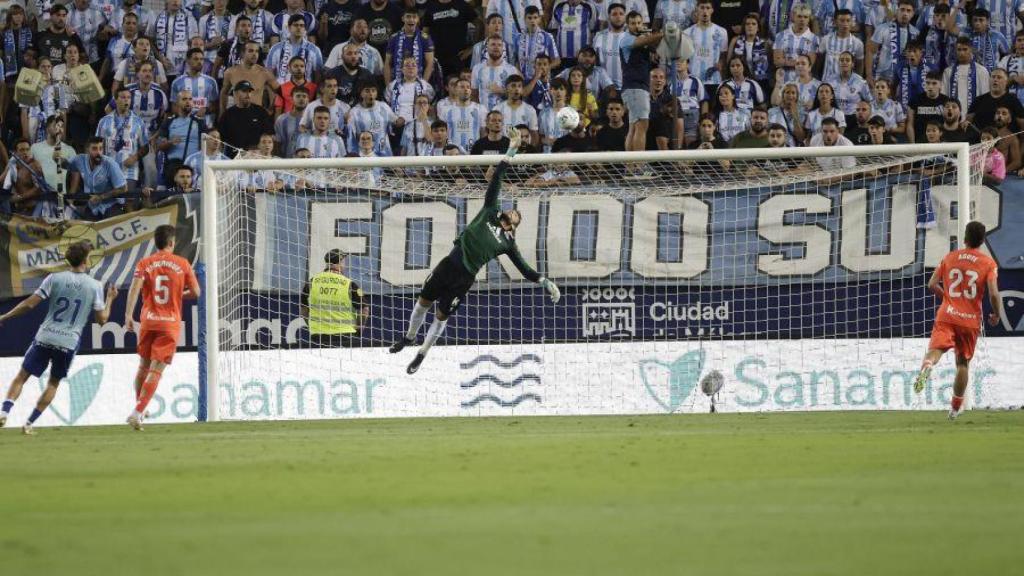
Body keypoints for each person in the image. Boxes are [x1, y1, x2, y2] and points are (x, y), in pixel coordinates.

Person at [389, 127, 561, 375]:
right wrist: (511, 150)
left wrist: (544, 281)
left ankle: (421, 354)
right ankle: (409, 337)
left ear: (515, 225)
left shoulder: (507, 243)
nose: (513, 211)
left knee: (441, 316)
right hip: (449, 264)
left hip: (464, 278)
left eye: (517, 215)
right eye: (513, 210)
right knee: (422, 302)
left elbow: (523, 268)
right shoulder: (490, 211)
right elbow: (497, 179)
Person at [0, 242, 116, 434]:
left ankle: (4, 412)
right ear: (86, 260)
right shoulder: (95, 286)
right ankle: (28, 424)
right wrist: (110, 298)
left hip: (45, 336)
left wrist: (4, 316)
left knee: (22, 376)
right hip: (68, 342)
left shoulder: (54, 278)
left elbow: (29, 304)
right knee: (53, 383)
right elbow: (102, 320)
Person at [913, 221, 1001, 420]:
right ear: (982, 240)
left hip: (947, 314)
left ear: (965, 238)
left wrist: (947, 298)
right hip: (969, 320)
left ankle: (928, 364)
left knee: (936, 350)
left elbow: (932, 284)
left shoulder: (950, 257)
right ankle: (954, 408)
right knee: (962, 364)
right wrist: (996, 314)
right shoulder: (988, 263)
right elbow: (994, 294)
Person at [123, 224, 201, 430]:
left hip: (148, 320)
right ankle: (138, 411)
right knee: (157, 369)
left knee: (143, 366)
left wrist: (128, 314)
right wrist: (179, 295)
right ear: (172, 243)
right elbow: (196, 292)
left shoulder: (145, 263)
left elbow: (134, 288)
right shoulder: (182, 263)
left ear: (156, 243)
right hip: (169, 323)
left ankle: (138, 408)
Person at [301, 249, 368, 348]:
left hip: (319, 335)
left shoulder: (311, 283)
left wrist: (311, 325)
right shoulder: (349, 284)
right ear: (340, 262)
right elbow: (365, 309)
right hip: (345, 334)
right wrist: (359, 328)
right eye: (344, 262)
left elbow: (304, 310)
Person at [68, 137, 128, 221]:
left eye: (100, 149)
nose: (98, 152)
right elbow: (65, 164)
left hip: (111, 206)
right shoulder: (80, 160)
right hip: (92, 206)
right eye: (94, 149)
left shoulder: (110, 164)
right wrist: (57, 158)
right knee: (86, 230)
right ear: (87, 150)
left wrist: (101, 197)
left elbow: (123, 188)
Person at [217, 80, 274, 155]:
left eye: (249, 91)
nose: (248, 94)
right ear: (236, 93)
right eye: (244, 91)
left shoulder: (260, 112)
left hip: (257, 157)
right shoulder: (228, 115)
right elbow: (221, 141)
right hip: (235, 158)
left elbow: (269, 135)